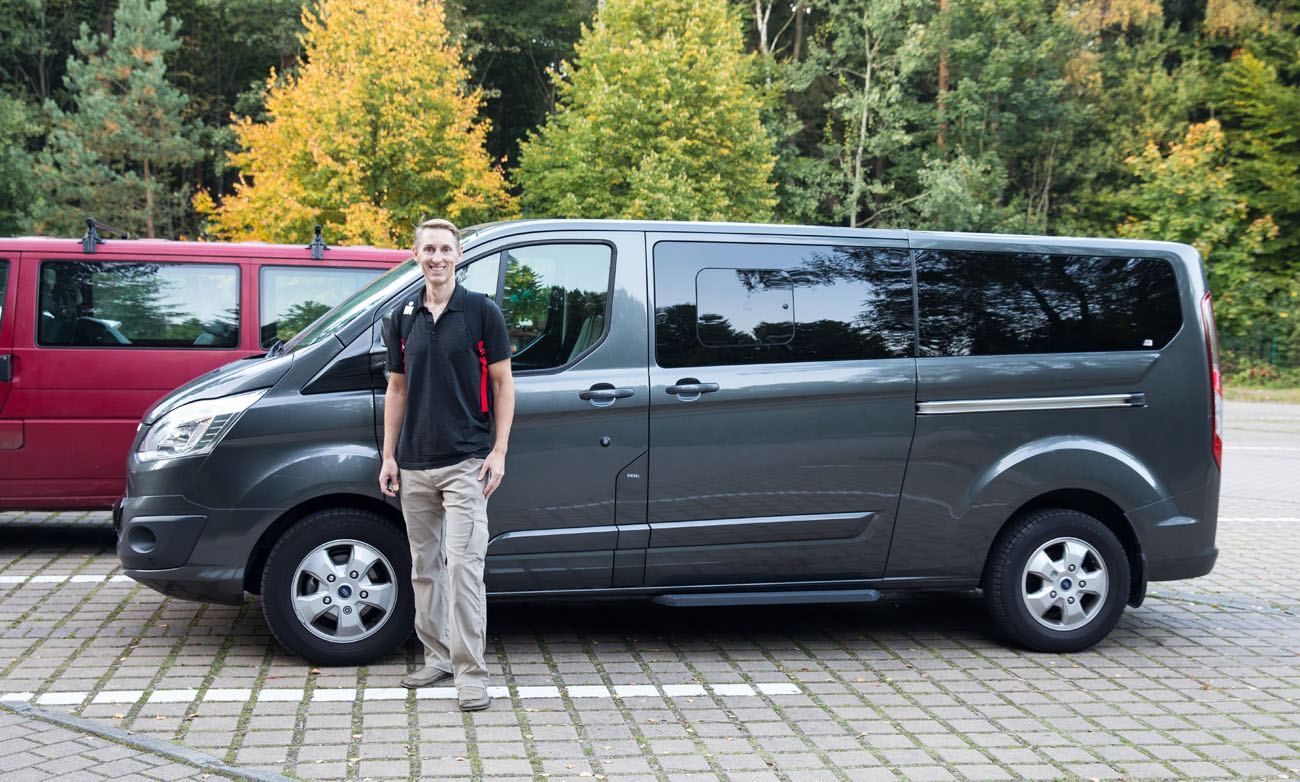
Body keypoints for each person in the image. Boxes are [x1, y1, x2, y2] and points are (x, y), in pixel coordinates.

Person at [379, 218, 514, 712]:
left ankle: (471, 674)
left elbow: (503, 384)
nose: (437, 257)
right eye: (428, 249)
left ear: (458, 256)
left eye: (445, 250)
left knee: (464, 569)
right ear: (415, 256)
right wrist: (389, 456)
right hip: (414, 464)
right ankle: (436, 657)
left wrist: (498, 451)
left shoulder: (481, 313)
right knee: (424, 569)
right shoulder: (402, 317)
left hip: (466, 464)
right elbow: (397, 389)